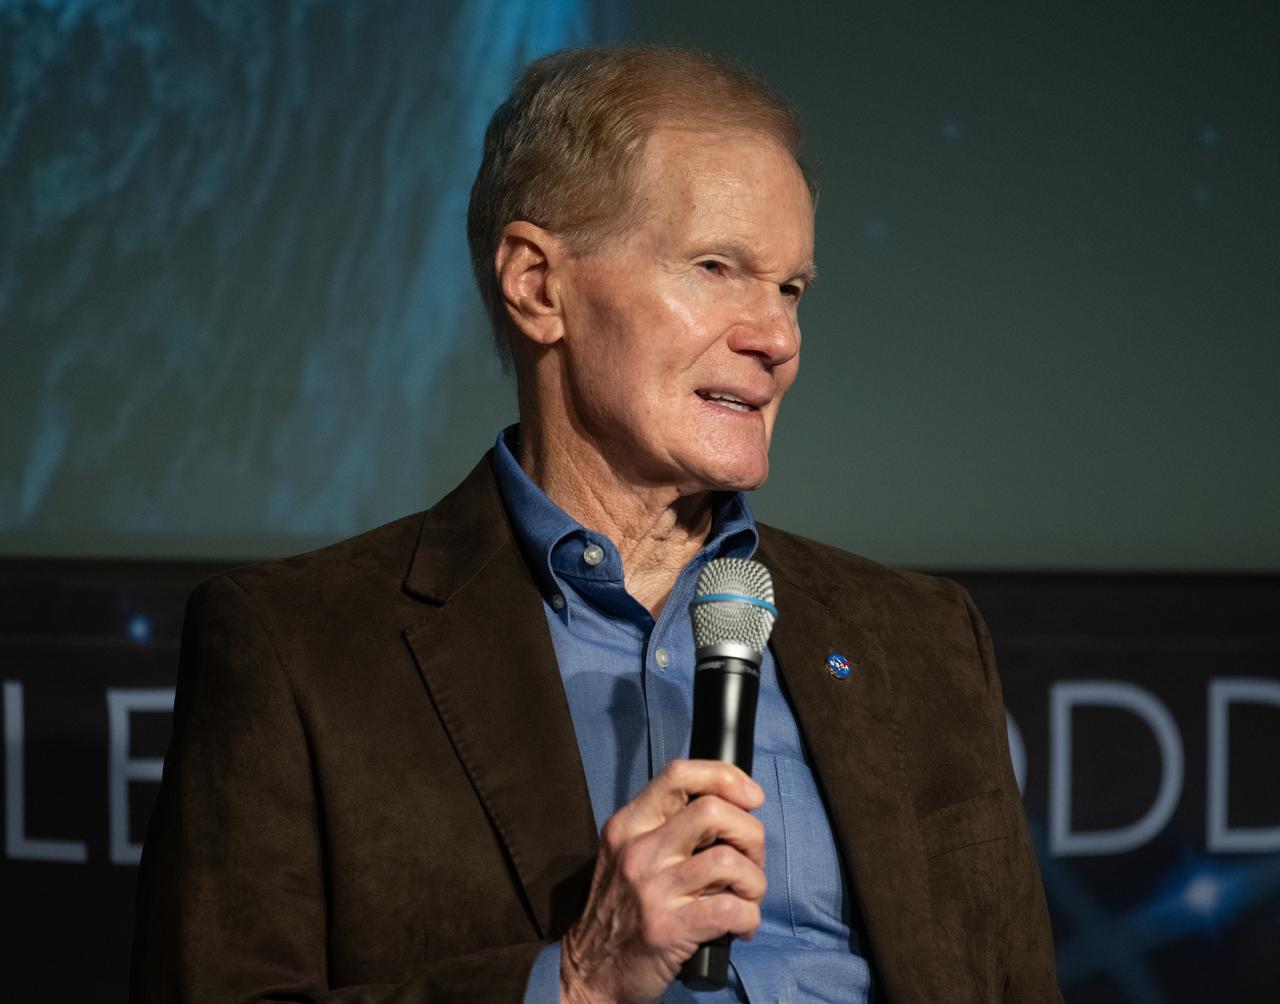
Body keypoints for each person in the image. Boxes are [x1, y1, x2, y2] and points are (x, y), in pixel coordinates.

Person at [132, 45, 1062, 1002]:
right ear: (538, 284)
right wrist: (577, 981)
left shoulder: (922, 641)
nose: (777, 338)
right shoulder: (300, 648)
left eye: (790, 288)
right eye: (717, 267)